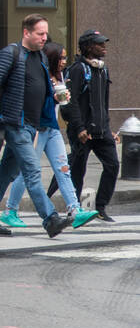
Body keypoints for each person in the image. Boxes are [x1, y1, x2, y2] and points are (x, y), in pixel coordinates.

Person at [0, 14, 72, 238]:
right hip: (15, 124)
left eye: (46, 33)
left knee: (6, 173)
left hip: (31, 125)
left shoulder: (41, 58)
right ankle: (51, 219)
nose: (44, 38)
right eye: (40, 33)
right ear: (26, 33)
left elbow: (41, 89)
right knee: (32, 171)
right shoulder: (11, 54)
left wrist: (55, 98)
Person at [1, 41, 98, 230]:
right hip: (37, 128)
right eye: (61, 57)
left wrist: (62, 96)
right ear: (52, 57)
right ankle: (10, 211)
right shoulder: (41, 74)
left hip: (52, 128)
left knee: (63, 169)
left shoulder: (60, 75)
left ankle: (75, 210)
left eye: (65, 57)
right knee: (28, 171)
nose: (64, 61)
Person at [60, 29, 121, 222]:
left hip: (101, 131)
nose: (104, 47)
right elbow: (72, 102)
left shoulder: (103, 69)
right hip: (83, 132)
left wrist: (108, 127)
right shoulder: (78, 69)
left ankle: (100, 207)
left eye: (104, 43)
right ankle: (75, 209)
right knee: (78, 170)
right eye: (99, 44)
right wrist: (79, 128)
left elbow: (104, 103)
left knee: (112, 166)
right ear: (87, 47)